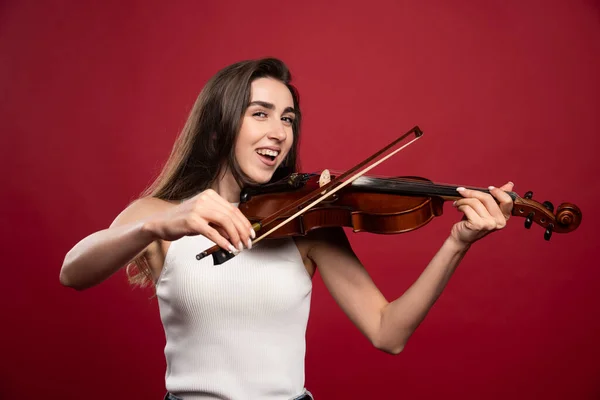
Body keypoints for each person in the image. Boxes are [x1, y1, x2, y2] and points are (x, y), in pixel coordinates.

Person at [59, 57, 514, 400]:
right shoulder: (160, 217)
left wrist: (457, 243)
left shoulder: (306, 224)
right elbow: (73, 272)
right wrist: (161, 224)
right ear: (219, 128)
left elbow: (387, 332)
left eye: (288, 118)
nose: (279, 131)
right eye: (260, 113)